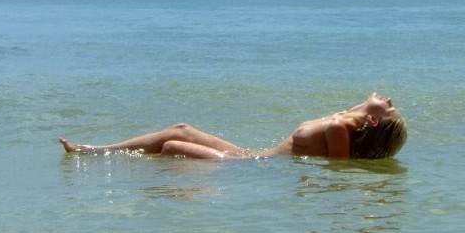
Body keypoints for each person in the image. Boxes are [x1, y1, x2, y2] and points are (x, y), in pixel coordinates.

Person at [59, 92, 407, 160]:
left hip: (250, 166)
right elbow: (359, 111)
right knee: (181, 128)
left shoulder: (338, 128)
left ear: (374, 120)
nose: (390, 99)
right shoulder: (346, 117)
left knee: (172, 146)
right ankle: (94, 151)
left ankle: (155, 186)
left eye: (390, 108)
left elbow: (339, 172)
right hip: (251, 155)